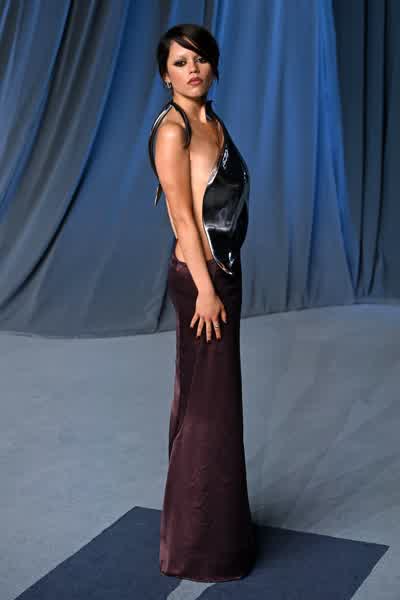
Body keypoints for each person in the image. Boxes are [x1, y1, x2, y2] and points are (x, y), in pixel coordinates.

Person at [148, 23, 257, 582]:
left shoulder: (211, 120)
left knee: (217, 408)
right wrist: (208, 291)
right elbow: (182, 218)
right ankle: (195, 550)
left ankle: (219, 534)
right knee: (205, 412)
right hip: (200, 283)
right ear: (165, 75)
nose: (192, 69)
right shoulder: (174, 132)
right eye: (180, 62)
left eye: (200, 59)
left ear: (212, 66)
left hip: (222, 277)